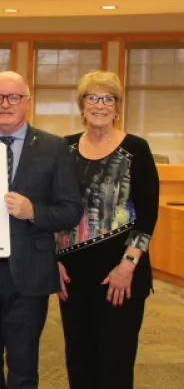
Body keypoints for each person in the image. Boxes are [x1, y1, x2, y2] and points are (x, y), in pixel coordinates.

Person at [0, 71, 83, 389]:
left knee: (24, 368)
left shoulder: (55, 148)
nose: (5, 104)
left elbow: (71, 210)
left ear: (28, 102)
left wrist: (33, 212)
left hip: (29, 276)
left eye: (14, 97)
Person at [56, 71, 159, 389]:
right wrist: (53, 260)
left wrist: (127, 267)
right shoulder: (64, 149)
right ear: (82, 105)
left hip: (121, 275)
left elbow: (147, 216)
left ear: (117, 107)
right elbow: (53, 208)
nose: (99, 105)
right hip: (73, 275)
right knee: (79, 360)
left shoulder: (136, 149)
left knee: (114, 362)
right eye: (92, 97)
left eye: (107, 98)